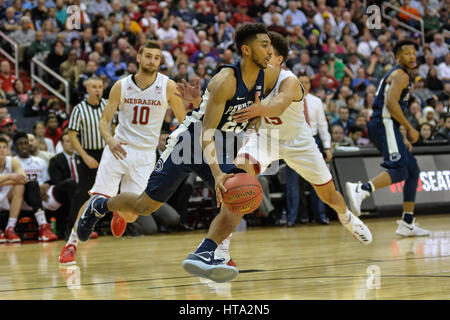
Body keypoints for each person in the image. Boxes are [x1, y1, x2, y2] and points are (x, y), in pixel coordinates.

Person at [75, 23, 274, 283]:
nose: (270, 51)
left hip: (219, 143)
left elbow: (248, 109)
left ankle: (205, 251)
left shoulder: (266, 76)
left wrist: (257, 115)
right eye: (264, 45)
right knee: (144, 206)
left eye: (271, 45)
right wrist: (216, 174)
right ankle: (100, 205)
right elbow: (206, 132)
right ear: (247, 50)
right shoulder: (226, 81)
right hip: (190, 142)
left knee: (238, 197)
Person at [58, 40, 186, 265]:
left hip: (146, 155)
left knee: (135, 212)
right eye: (148, 56)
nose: (152, 61)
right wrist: (108, 139)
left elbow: (184, 120)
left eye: (156, 57)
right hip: (119, 149)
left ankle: (118, 210)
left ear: (160, 61)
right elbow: (104, 120)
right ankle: (71, 244)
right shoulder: (121, 86)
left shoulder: (168, 86)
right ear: (138, 57)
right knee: (96, 196)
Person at [346, 40, 430, 237]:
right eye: (406, 53)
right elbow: (392, 105)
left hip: (386, 124)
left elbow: (390, 109)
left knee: (412, 170)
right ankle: (362, 189)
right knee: (399, 171)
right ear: (397, 57)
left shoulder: (399, 74)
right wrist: (410, 128)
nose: (411, 56)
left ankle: (407, 222)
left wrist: (401, 136)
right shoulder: (400, 74)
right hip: (383, 123)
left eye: (413, 53)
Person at [65, 76, 107, 249]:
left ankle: (95, 226)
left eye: (100, 87)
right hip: (88, 153)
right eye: (94, 87)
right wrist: (85, 156)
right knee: (83, 193)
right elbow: (72, 136)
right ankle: (70, 229)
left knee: (106, 191)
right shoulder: (79, 109)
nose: (97, 90)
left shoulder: (107, 105)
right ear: (87, 90)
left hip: (106, 153)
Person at [0, 135, 26, 243]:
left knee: (20, 186)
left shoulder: (13, 161)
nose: (1, 150)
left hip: (7, 196)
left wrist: (3, 180)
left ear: (8, 149)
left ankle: (10, 228)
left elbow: (23, 179)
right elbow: (16, 178)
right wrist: (10, 177)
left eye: (4, 147)